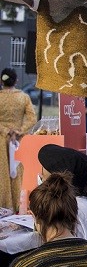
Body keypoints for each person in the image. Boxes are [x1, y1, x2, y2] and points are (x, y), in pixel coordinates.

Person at [0, 69, 36, 211]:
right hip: (17, 142)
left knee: (2, 172)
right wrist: (19, 131)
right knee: (17, 172)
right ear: (16, 81)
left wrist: (5, 130)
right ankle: (17, 205)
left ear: (2, 82)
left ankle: (3, 205)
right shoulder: (24, 97)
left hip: (1, 140)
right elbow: (32, 118)